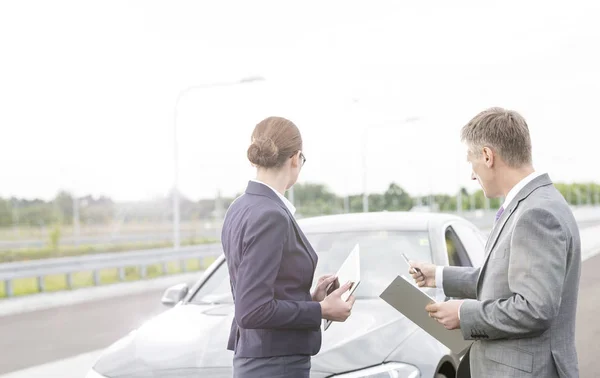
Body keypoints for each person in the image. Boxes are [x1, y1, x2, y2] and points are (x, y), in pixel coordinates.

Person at [409, 107, 580, 377]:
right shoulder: (532, 204)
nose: (472, 175)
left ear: (488, 156)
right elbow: (503, 279)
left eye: (471, 162)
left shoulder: (536, 214)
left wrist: (464, 314)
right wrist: (439, 275)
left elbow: (535, 309)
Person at [221, 116, 355, 378]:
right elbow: (253, 310)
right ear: (295, 158)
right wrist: (321, 310)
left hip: (259, 358)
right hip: (274, 364)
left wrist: (311, 297)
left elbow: (258, 290)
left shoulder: (240, 207)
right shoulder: (271, 215)